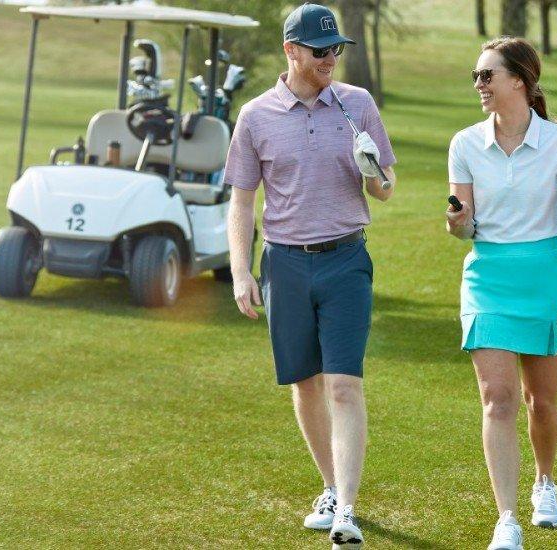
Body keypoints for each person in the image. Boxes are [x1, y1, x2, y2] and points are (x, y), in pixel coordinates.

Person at [223, 4, 396, 549]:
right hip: (285, 264)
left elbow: (385, 189)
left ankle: (347, 508)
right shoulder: (255, 116)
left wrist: (373, 169)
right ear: (291, 50)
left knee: (343, 382)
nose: (330, 59)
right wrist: (240, 272)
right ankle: (330, 487)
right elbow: (242, 201)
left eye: (336, 49)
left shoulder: (357, 104)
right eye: (320, 51)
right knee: (305, 382)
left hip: (346, 260)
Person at [445, 37, 557, 550]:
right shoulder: (464, 143)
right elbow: (464, 227)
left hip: (546, 278)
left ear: (519, 81)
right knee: (498, 399)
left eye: (487, 75)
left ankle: (544, 480)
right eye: (476, 76)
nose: (479, 84)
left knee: (541, 402)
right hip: (488, 278)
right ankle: (507, 519)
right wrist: (458, 224)